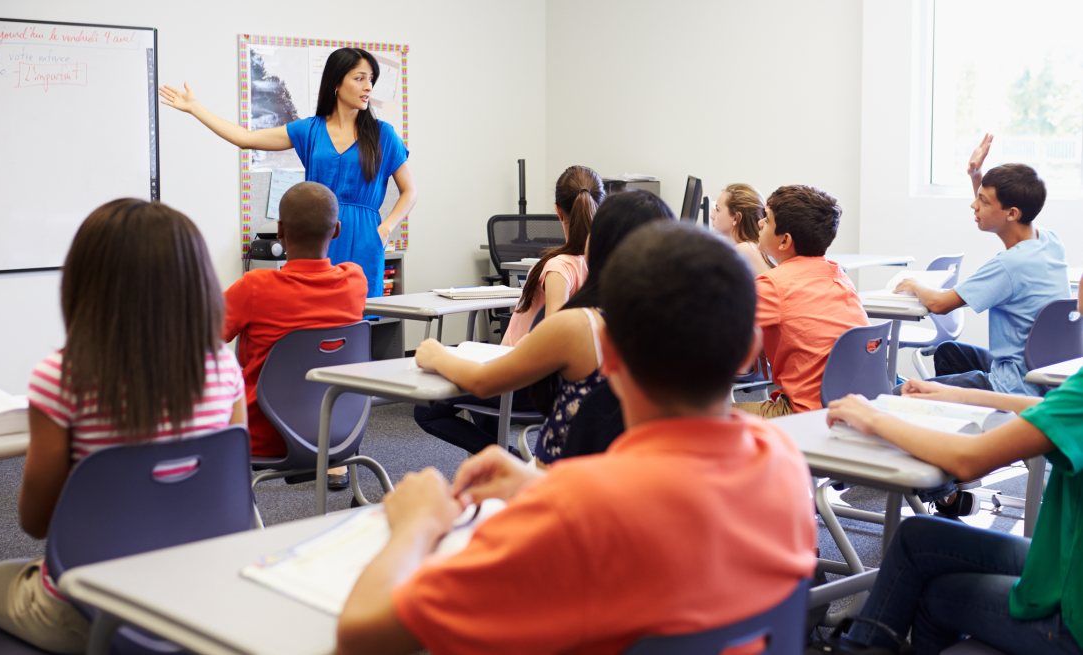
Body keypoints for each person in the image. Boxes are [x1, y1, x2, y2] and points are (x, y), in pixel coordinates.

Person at [335, 221, 817, 655]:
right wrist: (538, 487)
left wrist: (417, 523)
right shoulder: (782, 460)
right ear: (749, 352)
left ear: (606, 355)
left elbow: (361, 636)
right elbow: (671, 514)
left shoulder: (577, 511)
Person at [0, 200, 246, 654]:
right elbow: (234, 487)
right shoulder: (224, 366)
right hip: (196, 596)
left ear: (87, 281)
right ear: (198, 281)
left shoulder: (62, 377)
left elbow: (36, 521)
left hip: (86, 609)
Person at [826, 269, 1083, 655]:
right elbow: (1052, 408)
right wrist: (956, 395)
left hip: (1069, 615)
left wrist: (876, 418)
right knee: (918, 536)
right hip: (1064, 559)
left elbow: (968, 461)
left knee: (936, 596)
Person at [414, 190, 674, 464]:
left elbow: (483, 381)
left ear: (596, 244)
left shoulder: (579, 325)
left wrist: (438, 355)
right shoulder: (666, 329)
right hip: (624, 475)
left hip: (562, 485)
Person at [160, 47, 417, 299]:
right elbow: (245, 138)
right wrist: (195, 108)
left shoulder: (383, 134)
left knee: (358, 318)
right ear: (336, 83)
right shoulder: (309, 130)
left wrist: (384, 230)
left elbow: (410, 191)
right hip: (317, 235)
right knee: (313, 313)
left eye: (371, 79)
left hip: (365, 237)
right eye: (360, 78)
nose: (368, 87)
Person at [893, 133, 1069, 395]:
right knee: (948, 353)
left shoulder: (1009, 266)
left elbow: (940, 305)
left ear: (1012, 213)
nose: (974, 204)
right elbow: (1001, 208)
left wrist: (915, 284)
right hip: (1036, 375)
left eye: (983, 201)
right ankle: (960, 420)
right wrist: (976, 175)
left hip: (1012, 386)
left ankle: (968, 407)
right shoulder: (1049, 241)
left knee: (901, 394)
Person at [223, 182, 367, 490]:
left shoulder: (254, 286)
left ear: (279, 231)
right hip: (339, 430)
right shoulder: (354, 280)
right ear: (337, 229)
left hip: (265, 436)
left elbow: (199, 338)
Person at [733, 185, 867, 418]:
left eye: (767, 219)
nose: (760, 224)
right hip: (852, 410)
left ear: (784, 241)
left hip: (802, 415)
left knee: (695, 414)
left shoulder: (772, 285)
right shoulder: (839, 276)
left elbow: (718, 340)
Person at [501, 165, 604, 346]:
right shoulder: (603, 264)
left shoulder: (558, 267)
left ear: (558, 211)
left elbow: (553, 340)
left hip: (520, 365)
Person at [710, 183, 774, 275]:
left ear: (736, 218)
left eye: (718, 210)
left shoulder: (744, 250)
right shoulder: (752, 246)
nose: (712, 216)